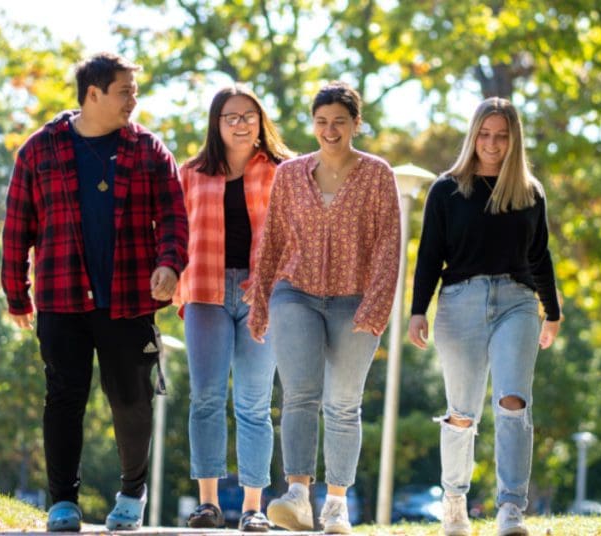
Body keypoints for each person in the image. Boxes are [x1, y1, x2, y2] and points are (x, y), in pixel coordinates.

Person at [1, 52, 188, 532]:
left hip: (128, 298)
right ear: (93, 94)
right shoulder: (39, 151)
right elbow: (17, 228)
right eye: (125, 91)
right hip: (62, 299)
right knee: (63, 397)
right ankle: (62, 502)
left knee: (131, 399)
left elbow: (173, 216)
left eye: (135, 92)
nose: (134, 100)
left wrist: (169, 262)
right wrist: (16, 294)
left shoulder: (148, 149)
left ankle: (131, 492)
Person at [244, 81, 401, 534]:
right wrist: (260, 303)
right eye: (321, 122)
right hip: (296, 292)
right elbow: (272, 239)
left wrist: (376, 309)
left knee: (343, 403)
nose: (329, 130)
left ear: (355, 123)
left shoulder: (377, 175)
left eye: (339, 121)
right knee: (299, 394)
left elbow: (390, 246)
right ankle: (297, 494)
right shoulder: (291, 174)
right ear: (313, 124)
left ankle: (335, 503)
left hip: (356, 298)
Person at [407, 97, 561, 536]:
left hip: (517, 303)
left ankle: (511, 509)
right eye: (485, 133)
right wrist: (418, 309)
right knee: (462, 412)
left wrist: (552, 311)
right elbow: (430, 255)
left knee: (513, 402)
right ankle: (454, 502)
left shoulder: (529, 192)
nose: (492, 143)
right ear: (474, 134)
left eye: (501, 135)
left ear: (514, 139)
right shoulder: (446, 190)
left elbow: (540, 255)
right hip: (459, 303)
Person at [173, 84, 295, 532]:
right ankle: (208, 504)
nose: (241, 124)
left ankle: (253, 507)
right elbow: (172, 232)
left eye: (248, 115)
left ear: (261, 121)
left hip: (261, 297)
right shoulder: (190, 173)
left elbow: (295, 238)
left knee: (254, 403)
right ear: (217, 125)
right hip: (205, 291)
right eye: (231, 117)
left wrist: (272, 283)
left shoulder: (284, 171)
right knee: (205, 398)